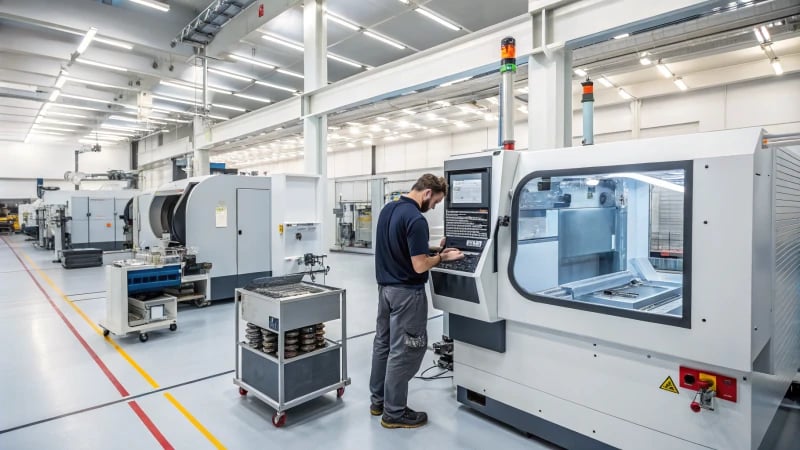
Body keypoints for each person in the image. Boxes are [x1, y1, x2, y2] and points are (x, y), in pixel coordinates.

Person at [369, 174, 464, 429]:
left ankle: (378, 401)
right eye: (435, 202)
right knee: (407, 350)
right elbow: (420, 265)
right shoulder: (415, 219)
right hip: (407, 295)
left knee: (383, 345)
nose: (432, 207)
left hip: (385, 291)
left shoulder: (388, 210)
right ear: (427, 193)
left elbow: (403, 249)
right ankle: (394, 413)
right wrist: (443, 258)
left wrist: (435, 250)